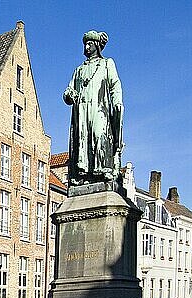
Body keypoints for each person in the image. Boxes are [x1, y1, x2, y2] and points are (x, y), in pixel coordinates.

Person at [63, 30, 123, 186]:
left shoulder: (106, 63)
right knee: (82, 140)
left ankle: (102, 169)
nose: (87, 47)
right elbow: (68, 91)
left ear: (97, 45)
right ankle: (83, 173)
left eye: (90, 43)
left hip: (99, 108)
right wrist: (69, 95)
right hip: (82, 110)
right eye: (85, 44)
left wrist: (117, 102)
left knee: (99, 134)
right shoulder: (79, 70)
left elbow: (115, 85)